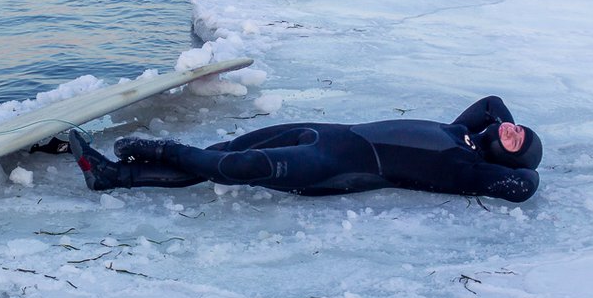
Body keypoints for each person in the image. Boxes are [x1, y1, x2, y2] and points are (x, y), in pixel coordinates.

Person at [67, 95, 542, 203]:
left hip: (337, 165)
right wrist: (499, 129)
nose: (513, 131)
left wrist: (523, 164)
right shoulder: (461, 130)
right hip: (329, 131)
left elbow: (522, 186)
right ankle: (114, 177)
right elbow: (492, 104)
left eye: (518, 143)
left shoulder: (464, 168)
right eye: (518, 129)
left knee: (240, 165)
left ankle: (159, 151)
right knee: (226, 150)